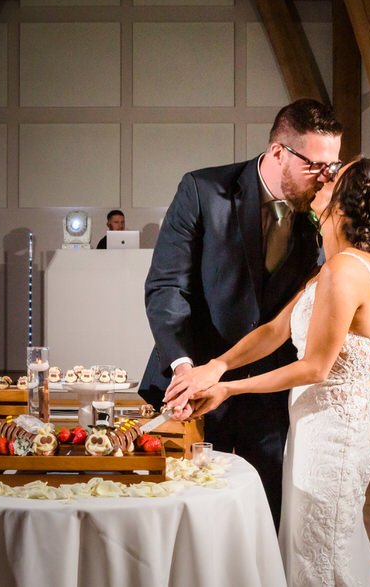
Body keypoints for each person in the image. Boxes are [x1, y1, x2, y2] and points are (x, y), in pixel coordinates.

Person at [167, 157, 370, 586]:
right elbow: (276, 330)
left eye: (335, 175)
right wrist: (218, 366)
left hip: (333, 437)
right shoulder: (332, 267)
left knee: (323, 553)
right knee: (307, 545)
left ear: (343, 203)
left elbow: (316, 367)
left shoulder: (343, 270)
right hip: (314, 427)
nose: (324, 177)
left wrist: (229, 389)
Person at [140, 98, 345, 527]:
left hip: (270, 391)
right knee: (184, 513)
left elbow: (325, 309)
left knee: (267, 516)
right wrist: (182, 366)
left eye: (333, 165)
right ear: (277, 153)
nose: (326, 177)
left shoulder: (323, 213)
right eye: (315, 165)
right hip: (190, 384)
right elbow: (167, 286)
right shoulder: (203, 190)